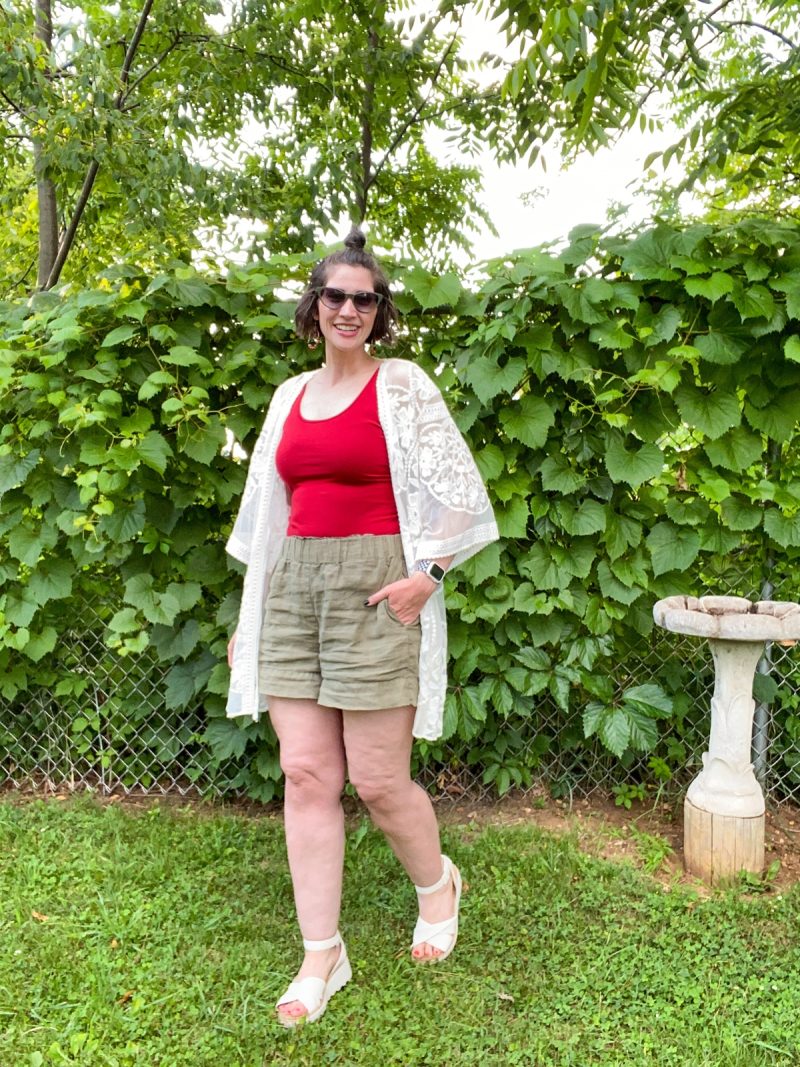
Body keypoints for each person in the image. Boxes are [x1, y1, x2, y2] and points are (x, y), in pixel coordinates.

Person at [225, 229, 498, 1026]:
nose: (350, 308)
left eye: (365, 297)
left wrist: (431, 577)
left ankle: (436, 885)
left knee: (379, 781)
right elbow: (266, 518)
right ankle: (323, 953)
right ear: (315, 308)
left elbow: (461, 495)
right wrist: (251, 616)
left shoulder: (404, 385)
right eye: (336, 295)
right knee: (307, 775)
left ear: (379, 313)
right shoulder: (287, 398)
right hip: (290, 590)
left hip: (377, 589)